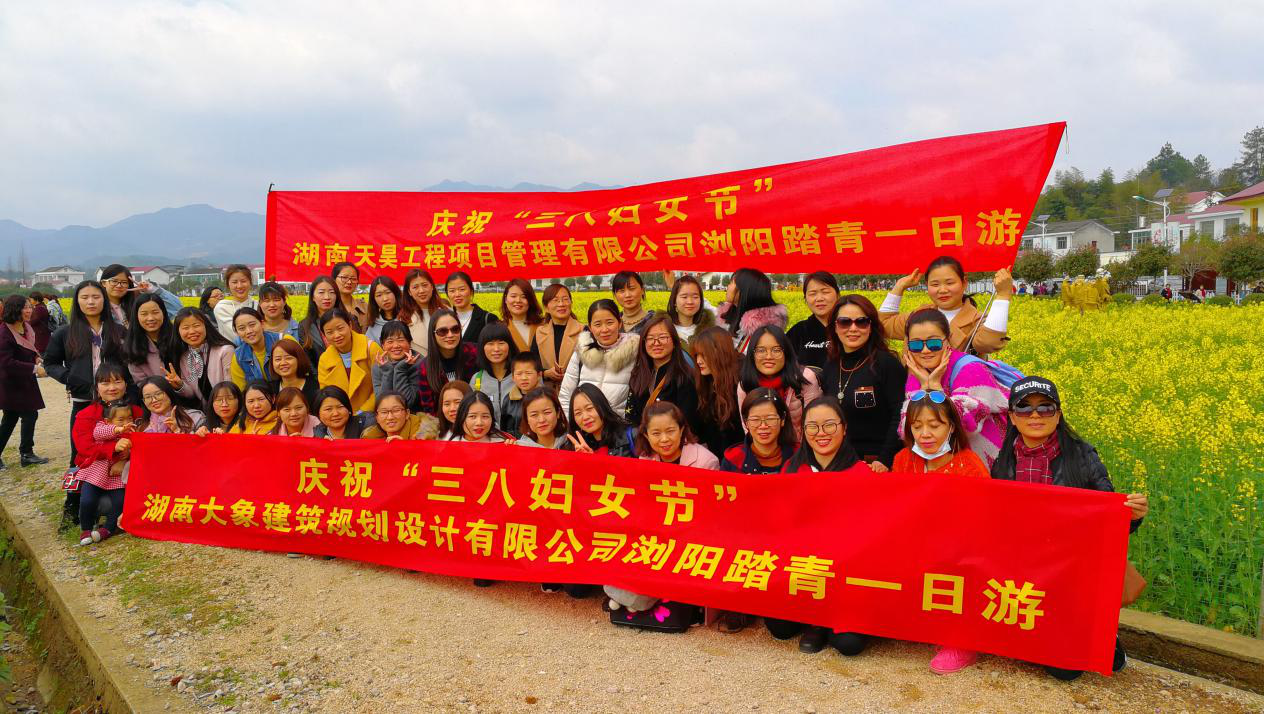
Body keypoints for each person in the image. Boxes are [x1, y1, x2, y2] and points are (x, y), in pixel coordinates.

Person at [990, 375, 1148, 680]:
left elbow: (1109, 519)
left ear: (1058, 414)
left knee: (1065, 670)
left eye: (1045, 408)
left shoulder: (1082, 456)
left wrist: (1132, 515)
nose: (1035, 416)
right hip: (1025, 564)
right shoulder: (1004, 460)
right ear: (1012, 417)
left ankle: (1098, 632)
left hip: (1071, 567)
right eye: (1024, 409)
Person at [773, 397, 873, 653]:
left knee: (848, 645)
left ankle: (830, 619)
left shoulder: (862, 473)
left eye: (829, 425)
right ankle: (813, 621)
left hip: (845, 570)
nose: (821, 433)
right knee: (779, 628)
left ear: (844, 427)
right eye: (812, 427)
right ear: (803, 430)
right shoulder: (792, 469)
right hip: (804, 565)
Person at [899, 307, 1009, 466]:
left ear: (948, 339)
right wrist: (924, 385)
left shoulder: (971, 369)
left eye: (934, 343)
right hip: (945, 464)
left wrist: (935, 387)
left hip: (984, 462)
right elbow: (907, 428)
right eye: (916, 345)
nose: (925, 350)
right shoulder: (916, 375)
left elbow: (964, 425)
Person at [43, 280, 128, 472]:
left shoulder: (119, 331)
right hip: (83, 400)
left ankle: (115, 492)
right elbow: (50, 363)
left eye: (96, 297)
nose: (91, 302)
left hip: (116, 401)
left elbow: (129, 364)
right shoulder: (64, 333)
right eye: (85, 297)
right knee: (80, 449)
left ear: (104, 301)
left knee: (118, 447)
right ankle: (75, 497)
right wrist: (69, 377)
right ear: (77, 301)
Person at [819, 295, 906, 470]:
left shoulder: (886, 363)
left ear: (871, 326)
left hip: (877, 464)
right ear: (835, 327)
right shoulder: (830, 366)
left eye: (861, 322)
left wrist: (885, 459)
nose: (853, 328)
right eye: (845, 322)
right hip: (839, 461)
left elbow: (900, 414)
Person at [880, 256, 1013, 356]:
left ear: (964, 283)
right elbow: (882, 326)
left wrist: (1003, 296)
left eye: (949, 283)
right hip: (914, 391)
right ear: (927, 286)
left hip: (958, 392)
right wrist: (899, 287)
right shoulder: (918, 314)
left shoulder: (977, 321)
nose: (942, 290)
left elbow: (987, 344)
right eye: (935, 284)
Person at [737, 325, 822, 444]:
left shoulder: (804, 379)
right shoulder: (745, 384)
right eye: (761, 350)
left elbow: (814, 423)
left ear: (786, 352)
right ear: (752, 354)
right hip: (763, 451)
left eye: (776, 350)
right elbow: (747, 426)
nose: (768, 356)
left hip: (800, 450)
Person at [558, 300, 639, 416]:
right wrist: (573, 425)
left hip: (618, 428)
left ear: (620, 323)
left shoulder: (634, 352)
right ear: (590, 327)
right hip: (584, 427)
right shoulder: (581, 352)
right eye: (597, 324)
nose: (604, 330)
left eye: (610, 322)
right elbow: (566, 395)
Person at [74, 398, 136, 545]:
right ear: (108, 421)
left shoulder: (133, 431)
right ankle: (86, 529)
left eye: (129, 418)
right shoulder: (103, 427)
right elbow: (98, 433)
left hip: (117, 477)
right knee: (87, 500)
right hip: (96, 473)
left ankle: (108, 528)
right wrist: (118, 430)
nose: (126, 422)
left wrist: (128, 454)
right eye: (120, 419)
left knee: (120, 502)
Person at [892, 391, 991, 478]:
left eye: (934, 426)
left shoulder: (971, 467)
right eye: (917, 427)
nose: (925, 434)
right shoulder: (903, 459)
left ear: (952, 427)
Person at [0, 294, 49, 469]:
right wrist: (34, 369)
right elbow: (6, 362)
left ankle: (26, 453)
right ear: (15, 310)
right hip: (12, 383)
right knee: (29, 415)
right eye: (25, 308)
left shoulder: (26, 328)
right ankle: (26, 454)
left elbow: (29, 350)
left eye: (30, 307)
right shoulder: (4, 333)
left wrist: (36, 358)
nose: (30, 310)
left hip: (25, 381)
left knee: (11, 418)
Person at [626, 315, 697, 427]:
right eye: (650, 338)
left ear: (674, 342)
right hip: (641, 440)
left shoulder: (684, 376)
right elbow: (631, 416)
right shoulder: (638, 374)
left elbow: (687, 420)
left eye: (663, 337)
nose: (656, 343)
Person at [690, 326, 745, 457]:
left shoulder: (742, 382)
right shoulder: (705, 381)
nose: (698, 361)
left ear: (719, 352)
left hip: (741, 461)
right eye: (696, 355)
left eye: (703, 355)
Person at [316, 308, 382, 414]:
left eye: (340, 328)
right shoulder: (325, 359)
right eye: (330, 332)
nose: (337, 335)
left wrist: (362, 412)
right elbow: (327, 395)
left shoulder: (371, 349)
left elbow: (383, 385)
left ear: (350, 326)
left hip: (373, 412)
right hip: (341, 416)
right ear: (324, 335)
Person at [417, 309, 479, 415]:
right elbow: (429, 409)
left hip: (474, 418)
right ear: (433, 334)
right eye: (442, 331)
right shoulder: (425, 367)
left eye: (455, 329)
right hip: (443, 424)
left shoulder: (474, 353)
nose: (450, 335)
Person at [168, 307, 234, 406]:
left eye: (196, 325)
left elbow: (231, 387)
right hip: (208, 413)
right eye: (185, 328)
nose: (192, 331)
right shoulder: (184, 357)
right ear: (178, 332)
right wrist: (180, 385)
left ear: (206, 326)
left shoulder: (225, 351)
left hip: (228, 407)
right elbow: (191, 393)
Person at [720, 388, 796, 474]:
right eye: (755, 419)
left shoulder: (799, 456)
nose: (763, 426)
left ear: (782, 420)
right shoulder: (733, 460)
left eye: (770, 419)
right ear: (746, 422)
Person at [718, 268, 786, 354]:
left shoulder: (765, 332)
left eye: (731, 282)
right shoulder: (728, 318)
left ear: (745, 289)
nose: (727, 287)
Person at [98, 263, 183, 329]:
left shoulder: (138, 305)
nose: (119, 285)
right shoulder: (97, 308)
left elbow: (176, 308)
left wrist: (154, 290)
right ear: (104, 283)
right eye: (114, 281)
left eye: (124, 282)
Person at [561, 383, 636, 457]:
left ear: (602, 406)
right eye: (578, 413)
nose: (585, 417)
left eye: (589, 408)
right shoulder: (575, 448)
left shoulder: (632, 435)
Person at [637, 401, 718, 468]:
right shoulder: (645, 459)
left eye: (670, 431)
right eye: (656, 433)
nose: (664, 439)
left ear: (681, 430)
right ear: (646, 436)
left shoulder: (706, 462)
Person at [786, 272, 840, 371]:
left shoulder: (850, 326)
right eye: (812, 294)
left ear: (838, 295)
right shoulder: (797, 332)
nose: (819, 298)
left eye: (825, 292)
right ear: (805, 299)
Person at [533, 283, 583, 389]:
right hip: (547, 394)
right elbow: (532, 365)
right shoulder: (539, 333)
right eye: (555, 300)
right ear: (546, 307)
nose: (561, 304)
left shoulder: (583, 331)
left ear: (571, 303)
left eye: (565, 299)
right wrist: (546, 373)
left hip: (576, 393)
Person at [471, 323, 518, 424]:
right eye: (490, 344)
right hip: (489, 437)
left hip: (520, 438)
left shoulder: (521, 375)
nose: (496, 349)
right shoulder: (476, 379)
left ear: (510, 345)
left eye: (501, 343)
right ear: (482, 347)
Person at [122, 294, 173, 384]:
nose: (150, 318)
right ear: (136, 317)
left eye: (155, 312)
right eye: (144, 314)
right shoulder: (133, 346)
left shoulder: (177, 337)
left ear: (163, 313)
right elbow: (141, 383)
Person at [371, 320, 421, 413]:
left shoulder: (420, 364)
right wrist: (387, 371)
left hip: (415, 416)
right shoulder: (378, 366)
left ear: (409, 342)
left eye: (401, 340)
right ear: (382, 344)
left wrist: (400, 370)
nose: (396, 346)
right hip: (388, 418)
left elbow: (408, 403)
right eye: (390, 341)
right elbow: (382, 403)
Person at [230, 307, 285, 390]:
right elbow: (242, 391)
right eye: (242, 328)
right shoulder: (239, 357)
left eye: (252, 325)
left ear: (262, 324)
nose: (248, 331)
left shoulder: (283, 341)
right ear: (236, 332)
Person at [398, 269, 445, 356]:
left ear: (432, 287)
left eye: (424, 285)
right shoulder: (404, 318)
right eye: (415, 287)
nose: (421, 291)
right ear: (409, 292)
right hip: (418, 367)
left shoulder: (446, 312)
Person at [665, 274, 716, 352]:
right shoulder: (664, 330)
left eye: (695, 297)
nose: (690, 302)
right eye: (684, 297)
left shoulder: (709, 332)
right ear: (674, 300)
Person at [138, 376, 205, 433]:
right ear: (144, 401)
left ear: (169, 393)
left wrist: (177, 431)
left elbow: (202, 446)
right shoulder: (141, 427)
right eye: (148, 397)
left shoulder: (195, 417)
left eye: (158, 394)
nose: (154, 400)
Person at [298, 276, 340, 367]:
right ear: (313, 297)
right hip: (321, 378)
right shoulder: (305, 326)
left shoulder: (349, 319)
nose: (327, 297)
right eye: (321, 292)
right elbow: (308, 361)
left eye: (332, 292)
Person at [444, 272, 497, 343]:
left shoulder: (488, 319)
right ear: (447, 294)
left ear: (471, 291)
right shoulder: (444, 319)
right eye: (452, 291)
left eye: (462, 289)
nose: (457, 294)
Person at [362, 391, 439, 440]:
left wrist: (404, 447)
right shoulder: (370, 439)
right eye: (384, 412)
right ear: (377, 418)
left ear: (407, 413)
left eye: (396, 410)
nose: (390, 417)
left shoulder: (423, 435)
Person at [211, 264, 259, 342]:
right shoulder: (222, 308)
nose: (239, 286)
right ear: (228, 285)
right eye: (234, 282)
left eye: (243, 281)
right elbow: (236, 335)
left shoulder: (258, 305)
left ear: (250, 283)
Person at [269, 337, 319, 410]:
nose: (283, 363)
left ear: (299, 359)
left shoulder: (316, 387)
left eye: (288, 358)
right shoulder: (270, 390)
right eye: (278, 359)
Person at [500, 352, 543, 437]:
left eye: (528, 373)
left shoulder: (545, 398)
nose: (524, 378)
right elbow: (503, 428)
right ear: (512, 377)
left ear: (539, 375)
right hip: (513, 445)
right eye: (519, 374)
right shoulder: (508, 399)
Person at [500, 278, 543, 355]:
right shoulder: (500, 328)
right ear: (506, 299)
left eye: (524, 297)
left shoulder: (544, 325)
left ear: (530, 300)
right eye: (513, 296)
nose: (518, 300)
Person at [448, 392, 512, 443]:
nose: (479, 423)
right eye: (472, 416)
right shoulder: (451, 445)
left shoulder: (503, 442)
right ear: (461, 417)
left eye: (485, 416)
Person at [365, 275, 403, 345]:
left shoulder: (408, 318)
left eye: (388, 292)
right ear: (374, 300)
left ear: (395, 293)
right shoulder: (373, 326)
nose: (385, 299)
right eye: (379, 295)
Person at [331, 262, 370, 329]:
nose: (349, 282)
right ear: (334, 280)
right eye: (344, 277)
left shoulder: (365, 307)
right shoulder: (328, 306)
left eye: (353, 279)